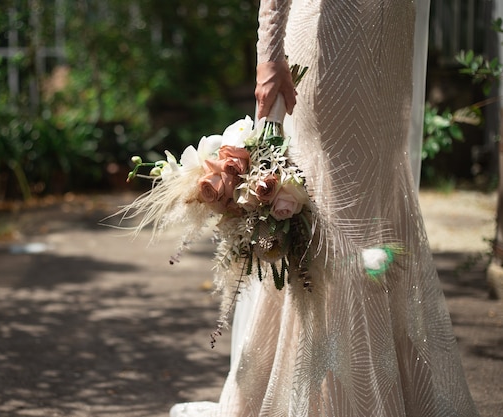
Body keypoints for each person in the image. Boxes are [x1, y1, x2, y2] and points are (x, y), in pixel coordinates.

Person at [170, 0, 481, 416]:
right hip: (331, 40)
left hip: (389, 47)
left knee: (379, 200)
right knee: (336, 208)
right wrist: (269, 55)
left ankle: (392, 388)